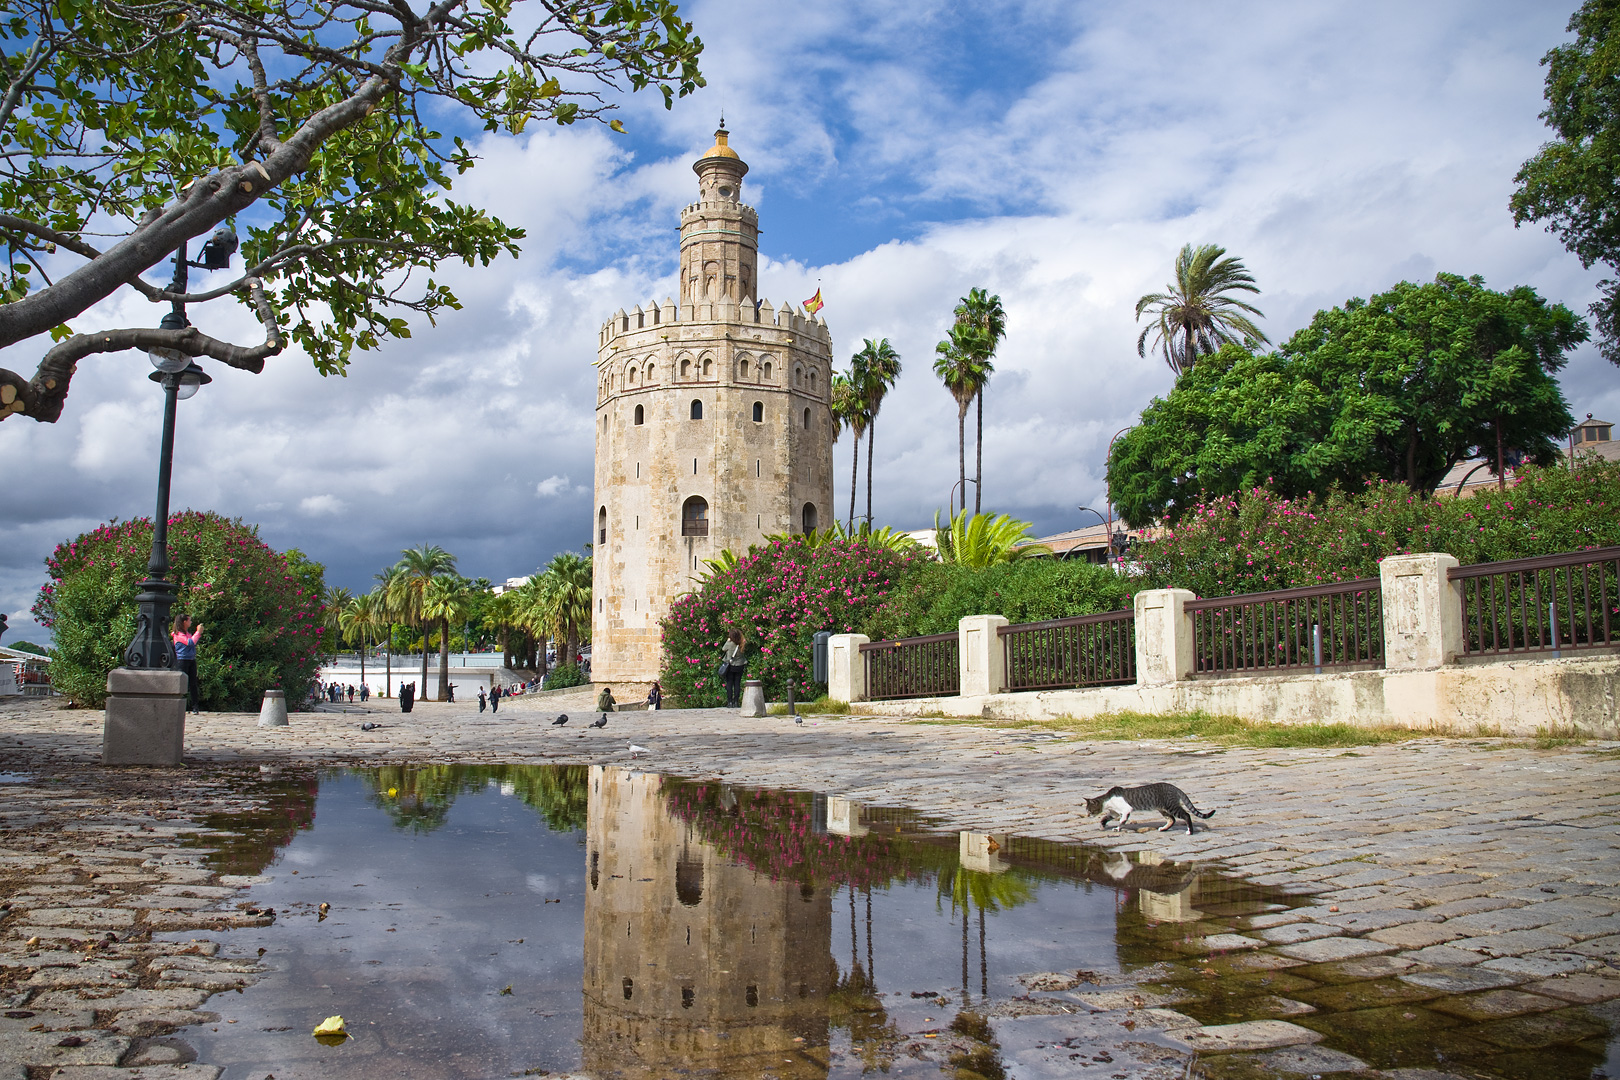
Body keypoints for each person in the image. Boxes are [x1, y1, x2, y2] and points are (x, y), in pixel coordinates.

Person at [171, 615, 203, 713]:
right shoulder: (178, 634)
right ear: (184, 622)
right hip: (182, 660)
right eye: (189, 620)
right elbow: (190, 642)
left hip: (191, 659)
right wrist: (198, 632)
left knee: (193, 684)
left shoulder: (187, 634)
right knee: (181, 683)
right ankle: (177, 705)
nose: (191, 622)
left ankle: (195, 706)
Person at [721, 630, 746, 708]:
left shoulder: (729, 644)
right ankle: (736, 702)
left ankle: (730, 702)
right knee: (737, 683)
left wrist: (728, 641)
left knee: (729, 683)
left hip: (730, 665)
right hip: (740, 665)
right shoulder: (742, 644)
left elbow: (723, 649)